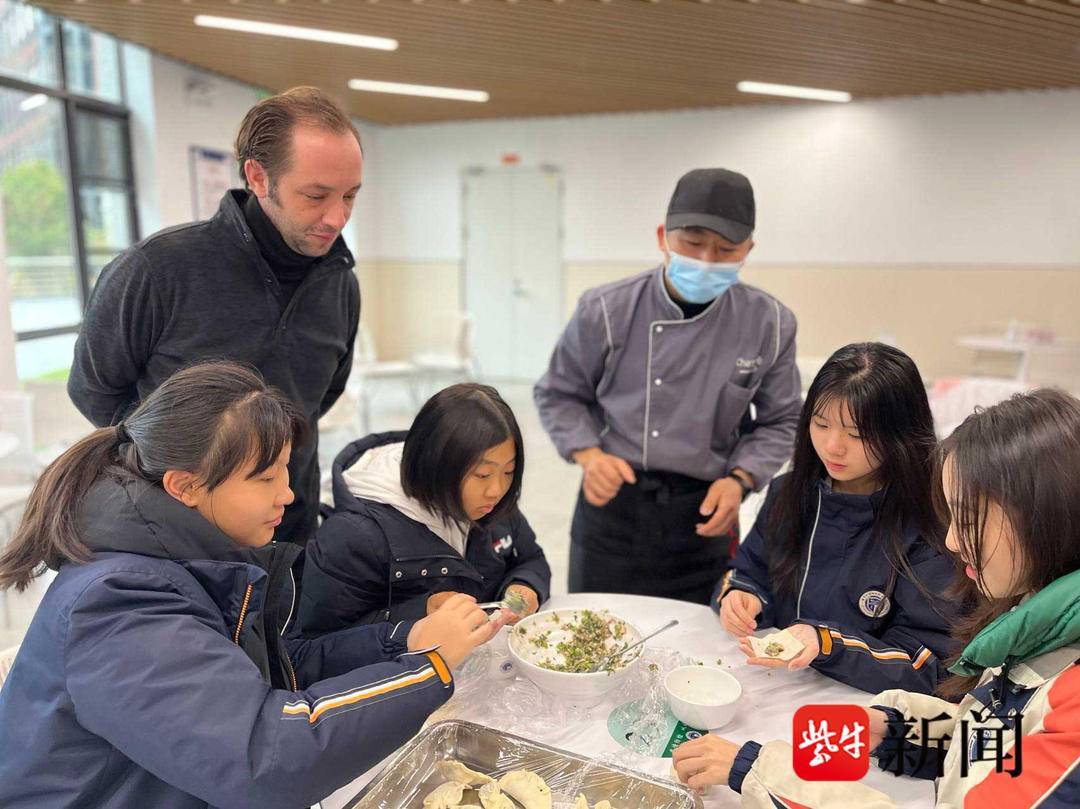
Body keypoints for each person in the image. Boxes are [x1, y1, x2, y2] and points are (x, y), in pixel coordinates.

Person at [0, 362, 504, 809]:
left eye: (287, 470)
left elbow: (271, 673)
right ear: (185, 486)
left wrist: (405, 641)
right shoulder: (120, 604)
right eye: (265, 479)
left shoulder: (201, 557)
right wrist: (427, 669)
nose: (287, 494)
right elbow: (264, 760)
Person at [673, 388, 1080, 806]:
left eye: (970, 518)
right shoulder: (1037, 624)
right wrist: (896, 731)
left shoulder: (1070, 703)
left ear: (1044, 517)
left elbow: (937, 672)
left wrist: (756, 770)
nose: (954, 541)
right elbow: (994, 740)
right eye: (821, 423)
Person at [67, 86, 364, 545]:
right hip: (175, 532)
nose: (337, 216)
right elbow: (94, 391)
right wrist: (193, 462)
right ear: (258, 177)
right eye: (316, 195)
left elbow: (317, 398)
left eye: (350, 195)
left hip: (290, 530)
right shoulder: (157, 269)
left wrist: (266, 477)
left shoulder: (340, 283)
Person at [534, 168, 801, 603]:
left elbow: (782, 418)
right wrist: (588, 454)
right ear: (663, 237)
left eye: (726, 249)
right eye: (693, 244)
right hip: (613, 503)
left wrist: (740, 478)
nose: (707, 261)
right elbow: (559, 392)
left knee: (696, 649)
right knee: (595, 635)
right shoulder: (606, 309)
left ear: (748, 250)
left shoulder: (769, 324)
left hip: (707, 512)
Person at [715, 343, 958, 695]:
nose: (832, 446)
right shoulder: (790, 493)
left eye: (857, 434)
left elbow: (930, 665)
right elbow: (748, 570)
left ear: (901, 435)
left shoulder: (929, 524)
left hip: (862, 714)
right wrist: (742, 596)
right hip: (772, 689)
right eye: (821, 423)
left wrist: (827, 644)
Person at [297, 383, 551, 633]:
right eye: (483, 474)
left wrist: (523, 588)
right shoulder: (353, 536)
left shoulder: (489, 504)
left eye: (509, 471)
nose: (497, 488)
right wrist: (422, 612)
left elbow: (530, 558)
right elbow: (316, 645)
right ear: (436, 465)